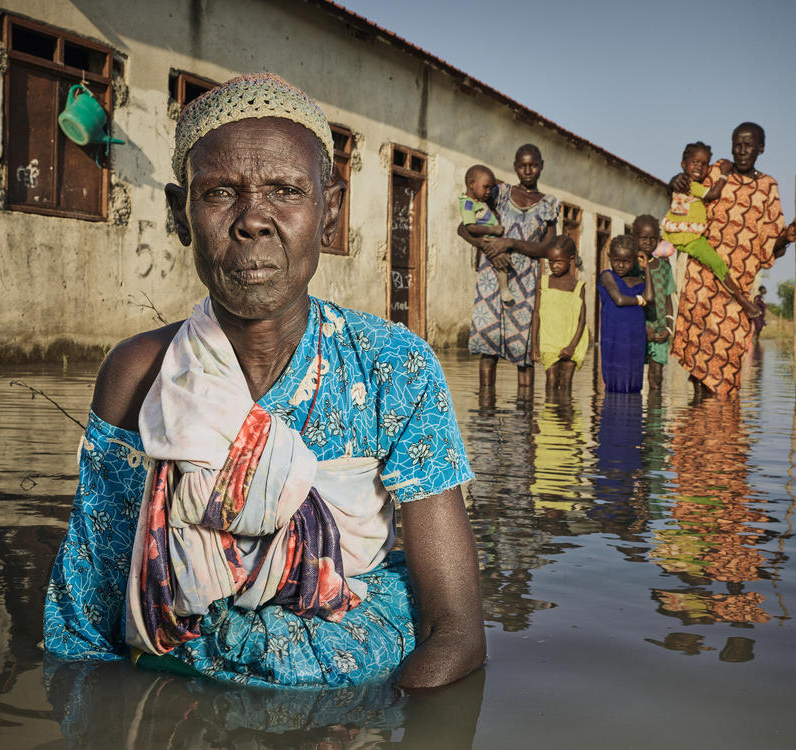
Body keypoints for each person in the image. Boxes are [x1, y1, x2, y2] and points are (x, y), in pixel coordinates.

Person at [43, 73, 485, 690]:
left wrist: (388, 717)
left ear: (329, 214)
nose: (254, 220)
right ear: (180, 214)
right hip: (180, 693)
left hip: (356, 696)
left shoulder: (393, 367)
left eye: (285, 190)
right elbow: (87, 621)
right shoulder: (140, 374)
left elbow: (456, 633)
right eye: (221, 192)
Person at [670, 122, 796, 398]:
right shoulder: (719, 170)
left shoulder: (768, 187)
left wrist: (787, 236)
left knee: (726, 359)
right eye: (737, 144)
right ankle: (696, 433)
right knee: (698, 358)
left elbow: (771, 243)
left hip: (738, 287)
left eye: (748, 145)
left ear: (761, 148)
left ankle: (722, 434)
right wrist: (676, 180)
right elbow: (689, 186)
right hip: (703, 278)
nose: (742, 151)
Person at [459, 144, 559, 398]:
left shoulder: (549, 204)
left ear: (542, 166)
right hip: (492, 277)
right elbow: (464, 227)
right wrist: (491, 250)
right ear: (515, 167)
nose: (528, 170)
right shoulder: (499, 194)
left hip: (526, 283)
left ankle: (523, 425)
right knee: (488, 351)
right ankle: (485, 422)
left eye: (533, 165)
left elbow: (549, 248)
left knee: (524, 354)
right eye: (522, 165)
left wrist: (511, 243)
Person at [662, 141, 760, 319]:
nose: (699, 166)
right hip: (691, 239)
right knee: (718, 264)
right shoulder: (688, 184)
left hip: (674, 235)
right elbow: (714, 194)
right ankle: (741, 298)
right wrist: (723, 175)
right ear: (684, 165)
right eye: (695, 162)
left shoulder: (684, 183)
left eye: (704, 163)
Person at [598, 234, 654, 393]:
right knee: (614, 381)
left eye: (626, 261)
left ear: (634, 261)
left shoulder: (639, 281)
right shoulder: (607, 276)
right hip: (614, 336)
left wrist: (647, 268)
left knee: (633, 382)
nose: (620, 265)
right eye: (617, 260)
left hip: (635, 336)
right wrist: (639, 300)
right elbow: (619, 300)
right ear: (610, 258)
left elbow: (649, 297)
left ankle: (631, 415)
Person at [535, 236, 589, 397]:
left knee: (566, 384)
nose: (554, 266)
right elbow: (536, 314)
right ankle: (550, 419)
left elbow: (582, 319)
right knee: (550, 382)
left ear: (571, 259)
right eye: (551, 262)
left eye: (559, 261)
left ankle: (565, 420)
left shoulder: (577, 286)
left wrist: (572, 345)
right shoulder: (543, 282)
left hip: (572, 340)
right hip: (549, 341)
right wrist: (533, 346)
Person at [459, 165, 513, 306]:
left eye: (491, 188)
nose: (489, 192)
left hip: (494, 241)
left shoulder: (480, 201)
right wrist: (492, 232)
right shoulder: (468, 204)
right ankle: (504, 290)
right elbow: (467, 227)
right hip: (489, 243)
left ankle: (504, 290)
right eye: (486, 187)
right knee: (501, 267)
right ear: (472, 184)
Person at [633, 214, 675, 392]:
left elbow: (667, 300)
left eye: (653, 238)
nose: (648, 242)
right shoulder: (630, 267)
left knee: (656, 379)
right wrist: (642, 328)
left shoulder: (664, 267)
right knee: (634, 377)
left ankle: (654, 418)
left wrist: (668, 328)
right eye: (643, 238)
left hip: (659, 331)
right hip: (636, 330)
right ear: (634, 237)